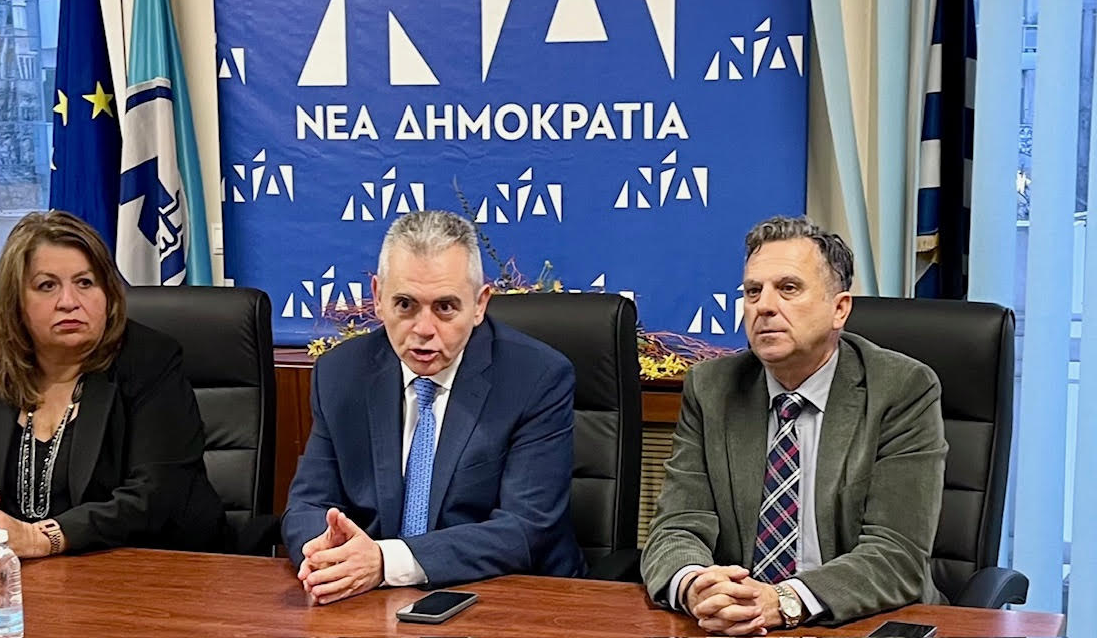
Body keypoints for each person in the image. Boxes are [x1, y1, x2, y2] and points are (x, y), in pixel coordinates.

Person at [641, 215, 947, 633]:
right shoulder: (712, 387)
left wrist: (785, 600)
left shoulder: (900, 388)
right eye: (753, 291)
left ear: (839, 309)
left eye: (788, 288)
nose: (764, 306)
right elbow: (677, 525)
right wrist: (697, 586)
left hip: (859, 622)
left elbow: (896, 555)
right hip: (737, 625)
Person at [282, 210, 586, 604]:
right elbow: (308, 505)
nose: (424, 329)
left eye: (445, 307)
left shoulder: (537, 377)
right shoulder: (340, 374)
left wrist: (385, 562)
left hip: (511, 599)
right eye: (405, 304)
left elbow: (525, 529)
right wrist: (328, 554)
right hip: (372, 601)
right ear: (378, 297)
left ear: (479, 304)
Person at [0, 210, 227, 561]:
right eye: (47, 286)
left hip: (138, 569)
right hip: (12, 572)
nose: (69, 302)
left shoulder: (150, 360)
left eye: (85, 283)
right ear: (16, 302)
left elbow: (157, 494)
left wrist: (40, 538)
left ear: (109, 293)